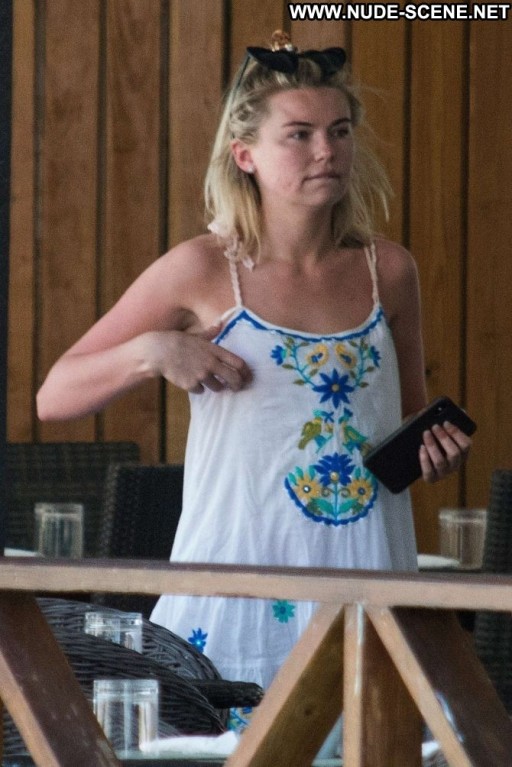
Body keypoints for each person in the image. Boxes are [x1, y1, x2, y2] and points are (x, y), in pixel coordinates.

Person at [37, 31, 471, 733]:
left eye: (339, 131)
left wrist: (436, 452)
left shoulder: (388, 271)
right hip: (233, 583)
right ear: (245, 155)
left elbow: (410, 426)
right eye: (298, 134)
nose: (326, 150)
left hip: (368, 577)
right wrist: (153, 351)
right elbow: (53, 395)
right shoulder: (203, 269)